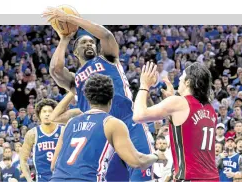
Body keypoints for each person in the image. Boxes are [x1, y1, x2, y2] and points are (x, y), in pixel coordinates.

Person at [43, 7, 155, 181]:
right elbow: (55, 71)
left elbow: (107, 36)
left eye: (91, 42)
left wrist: (74, 19)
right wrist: (65, 38)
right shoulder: (76, 79)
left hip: (129, 122)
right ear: (75, 52)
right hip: (99, 131)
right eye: (83, 42)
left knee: (141, 175)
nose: (89, 44)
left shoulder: (108, 58)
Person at [50, 74, 165, 182]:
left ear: (88, 99)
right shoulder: (112, 123)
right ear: (111, 99)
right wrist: (156, 156)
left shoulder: (70, 123)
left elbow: (53, 165)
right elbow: (136, 161)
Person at [133, 61, 219, 181]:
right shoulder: (211, 109)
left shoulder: (178, 103)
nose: (180, 78)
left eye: (182, 75)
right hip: (213, 177)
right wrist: (173, 98)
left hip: (191, 178)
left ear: (188, 81)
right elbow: (188, 128)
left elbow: (138, 116)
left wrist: (144, 85)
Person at [20, 92, 81, 182]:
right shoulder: (32, 133)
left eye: (50, 111)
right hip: (42, 179)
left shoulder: (64, 130)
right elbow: (23, 159)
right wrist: (29, 180)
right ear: (39, 115)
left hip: (62, 177)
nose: (47, 114)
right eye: (44, 112)